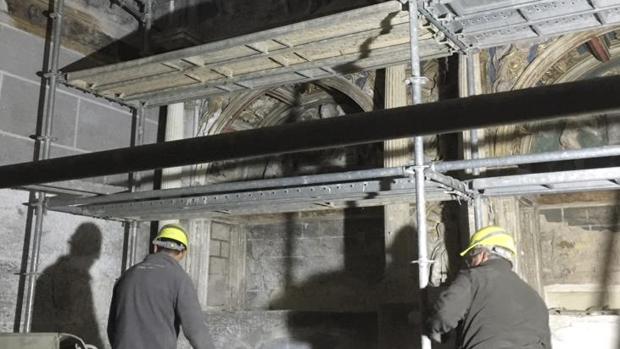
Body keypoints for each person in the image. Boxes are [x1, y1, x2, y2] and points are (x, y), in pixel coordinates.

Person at [424, 226, 551, 349]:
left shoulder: (473, 278)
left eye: (471, 256)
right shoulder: (535, 297)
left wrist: (432, 328)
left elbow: (444, 315)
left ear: (483, 254)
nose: (470, 262)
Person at [107, 224, 216, 349]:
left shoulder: (127, 276)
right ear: (183, 253)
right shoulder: (180, 279)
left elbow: (112, 327)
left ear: (155, 247)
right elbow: (196, 330)